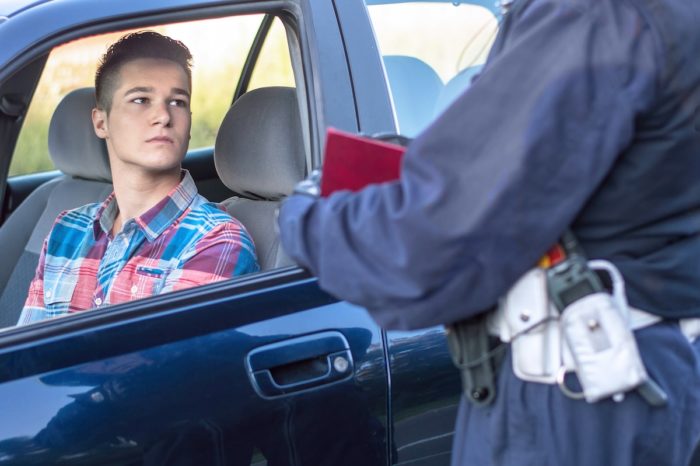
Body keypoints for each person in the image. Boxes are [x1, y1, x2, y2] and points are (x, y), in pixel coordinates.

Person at [277, 0, 700, 464]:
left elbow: (430, 245)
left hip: (572, 394)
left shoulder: (588, 16)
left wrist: (308, 213)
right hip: (613, 381)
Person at [18, 31, 259, 326]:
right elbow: (25, 361)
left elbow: (165, 368)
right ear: (101, 122)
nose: (163, 116)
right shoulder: (66, 230)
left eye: (177, 102)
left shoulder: (214, 241)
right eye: (141, 99)